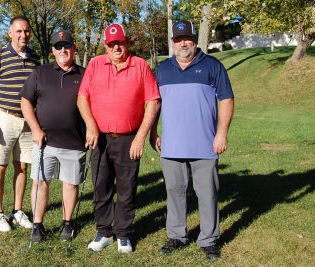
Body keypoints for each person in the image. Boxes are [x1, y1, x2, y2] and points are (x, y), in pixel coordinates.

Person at [150, 20, 234, 260]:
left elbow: (226, 99)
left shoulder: (212, 65)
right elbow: (154, 104)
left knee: (207, 194)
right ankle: (176, 236)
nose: (182, 43)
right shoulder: (163, 69)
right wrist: (153, 132)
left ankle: (209, 240)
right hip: (171, 145)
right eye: (178, 39)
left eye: (186, 38)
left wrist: (222, 133)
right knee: (174, 192)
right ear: (173, 42)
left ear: (195, 40)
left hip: (205, 145)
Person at [77, 23, 160, 253]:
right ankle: (104, 231)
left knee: (126, 188)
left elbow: (152, 102)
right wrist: (91, 126)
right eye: (112, 44)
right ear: (106, 45)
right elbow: (82, 98)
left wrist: (140, 137)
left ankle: (123, 233)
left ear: (127, 43)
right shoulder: (94, 64)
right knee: (101, 186)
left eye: (120, 42)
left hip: (128, 138)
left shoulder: (140, 65)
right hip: (100, 138)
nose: (116, 47)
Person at [20, 30, 86, 242]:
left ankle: (67, 223)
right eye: (58, 46)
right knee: (40, 182)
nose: (63, 50)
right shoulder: (40, 72)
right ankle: (37, 225)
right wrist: (36, 129)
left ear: (74, 48)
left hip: (75, 141)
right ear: (53, 50)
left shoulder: (85, 74)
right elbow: (25, 101)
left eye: (67, 45)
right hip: (44, 141)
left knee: (70, 183)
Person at [0, 16, 40, 232]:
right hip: (3, 118)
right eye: (18, 31)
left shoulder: (35, 58)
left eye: (26, 31)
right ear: (10, 33)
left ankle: (17, 211)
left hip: (27, 120)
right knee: (0, 167)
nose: (23, 35)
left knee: (22, 166)